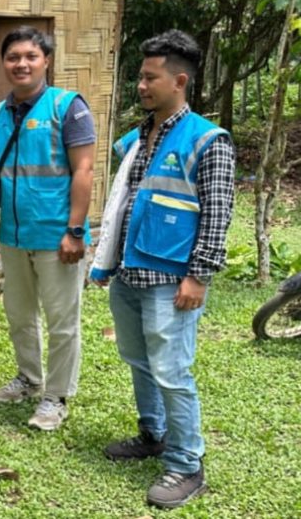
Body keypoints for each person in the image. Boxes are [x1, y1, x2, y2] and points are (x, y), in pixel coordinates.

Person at [90, 30, 234, 510]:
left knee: (172, 371)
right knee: (138, 361)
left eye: (149, 77)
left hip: (172, 279)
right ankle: (153, 434)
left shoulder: (208, 141)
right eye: (140, 76)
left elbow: (217, 213)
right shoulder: (140, 136)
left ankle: (187, 463)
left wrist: (200, 275)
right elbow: (124, 203)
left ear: (179, 80)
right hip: (130, 272)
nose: (140, 85)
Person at [0, 26, 96, 432]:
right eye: (13, 57)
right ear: (4, 63)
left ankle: (56, 397)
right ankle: (29, 379)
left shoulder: (68, 107)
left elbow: (84, 169)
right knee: (19, 315)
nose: (21, 63)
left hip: (56, 235)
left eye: (30, 56)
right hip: (13, 234)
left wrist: (75, 232)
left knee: (62, 321)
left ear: (46, 60)